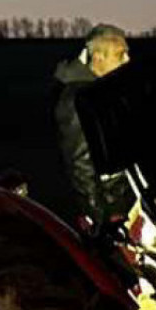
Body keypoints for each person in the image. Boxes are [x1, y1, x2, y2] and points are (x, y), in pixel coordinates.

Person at [51, 24, 132, 228]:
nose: (127, 60)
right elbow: (81, 167)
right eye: (120, 55)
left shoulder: (107, 90)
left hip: (128, 204)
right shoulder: (77, 101)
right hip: (112, 214)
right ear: (98, 58)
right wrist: (102, 220)